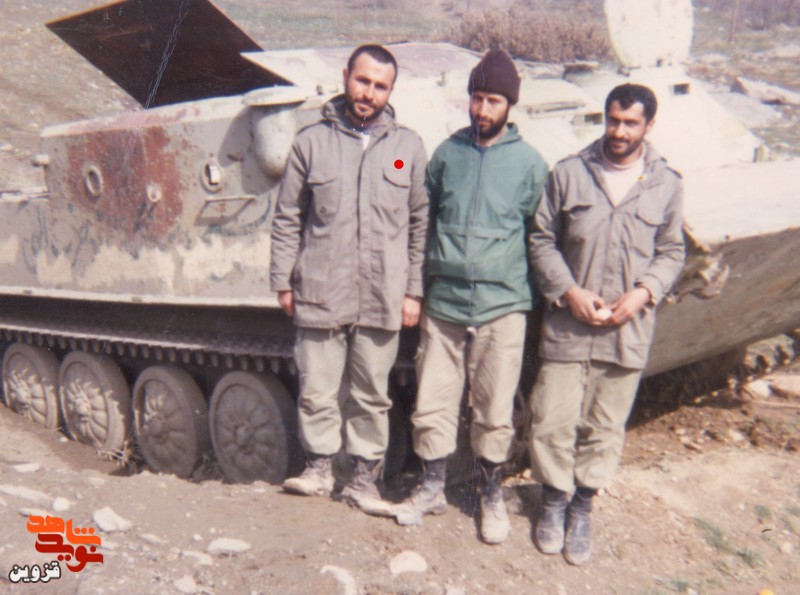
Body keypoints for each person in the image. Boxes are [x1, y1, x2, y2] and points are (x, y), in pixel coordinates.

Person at [527, 83, 685, 564]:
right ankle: (553, 502)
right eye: (613, 120)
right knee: (551, 420)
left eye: (630, 123)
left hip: (625, 330)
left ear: (649, 126)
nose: (619, 131)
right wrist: (569, 291)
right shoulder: (569, 173)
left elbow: (672, 251)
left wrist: (644, 292)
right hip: (569, 325)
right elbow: (540, 239)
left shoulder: (666, 184)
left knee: (605, 426)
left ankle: (582, 507)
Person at [269, 44, 429, 516]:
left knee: (371, 395)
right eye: (363, 81)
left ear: (390, 91)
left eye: (380, 86)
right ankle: (318, 469)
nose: (369, 93)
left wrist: (413, 290)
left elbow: (419, 222)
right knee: (317, 387)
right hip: (322, 286)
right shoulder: (311, 143)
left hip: (382, 292)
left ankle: (363, 481)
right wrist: (283, 281)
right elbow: (287, 216)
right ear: (345, 77)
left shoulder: (404, 151)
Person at [397, 49, 548, 545]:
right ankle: (431, 487)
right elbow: (423, 220)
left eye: (493, 101)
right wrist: (417, 286)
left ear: (511, 105)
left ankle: (490, 494)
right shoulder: (446, 155)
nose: (482, 110)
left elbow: (540, 236)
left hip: (502, 305)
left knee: (494, 408)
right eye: (477, 98)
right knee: (433, 401)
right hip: (443, 302)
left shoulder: (530, 164)